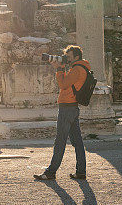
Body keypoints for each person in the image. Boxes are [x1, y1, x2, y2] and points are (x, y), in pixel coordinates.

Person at [33, 45, 89, 181]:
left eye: (69, 57)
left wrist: (59, 68)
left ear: (76, 57)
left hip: (67, 108)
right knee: (77, 142)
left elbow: (63, 85)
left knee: (60, 141)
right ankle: (80, 172)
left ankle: (51, 172)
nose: (67, 59)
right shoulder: (81, 68)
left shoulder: (77, 70)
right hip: (72, 107)